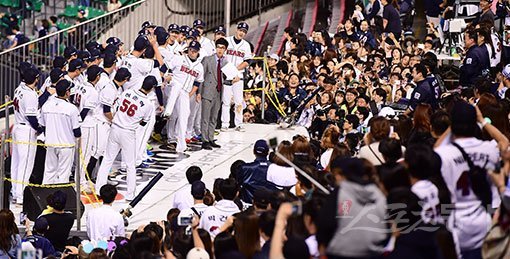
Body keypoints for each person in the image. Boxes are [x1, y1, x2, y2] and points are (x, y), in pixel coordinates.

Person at [435, 101, 509, 258]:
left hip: (455, 223)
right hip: (483, 220)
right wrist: (482, 120)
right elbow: (504, 142)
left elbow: (436, 148)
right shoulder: (488, 149)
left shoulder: (445, 153)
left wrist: (452, 125)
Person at [95, 76, 156, 200]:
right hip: (128, 132)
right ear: (152, 88)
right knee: (130, 165)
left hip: (115, 127)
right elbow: (144, 123)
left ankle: (98, 189)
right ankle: (130, 194)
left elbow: (116, 107)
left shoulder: (127, 92)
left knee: (107, 160)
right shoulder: (148, 104)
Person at [163, 40, 205, 154]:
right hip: (173, 87)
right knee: (173, 114)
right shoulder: (179, 58)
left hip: (185, 92)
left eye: (194, 51)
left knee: (184, 117)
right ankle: (168, 113)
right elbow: (167, 68)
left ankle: (181, 145)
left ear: (198, 52)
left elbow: (198, 82)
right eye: (191, 50)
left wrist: (191, 94)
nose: (192, 52)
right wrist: (167, 76)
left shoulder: (199, 66)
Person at [40, 80, 82, 184]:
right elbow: (77, 131)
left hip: (50, 144)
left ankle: (46, 198)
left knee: (49, 172)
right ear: (67, 92)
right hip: (66, 146)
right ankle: (60, 198)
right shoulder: (71, 108)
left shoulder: (46, 105)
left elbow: (43, 126)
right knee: (63, 174)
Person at [11, 66, 42, 204]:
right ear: (35, 79)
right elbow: (32, 118)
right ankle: (21, 195)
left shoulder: (19, 88)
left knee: (17, 163)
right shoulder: (29, 94)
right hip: (26, 130)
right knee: (25, 164)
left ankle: (15, 190)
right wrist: (40, 129)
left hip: (18, 127)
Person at [200, 38, 238, 150]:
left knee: (214, 117)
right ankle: (204, 139)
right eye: (218, 47)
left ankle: (211, 138)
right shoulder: (207, 59)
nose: (220, 50)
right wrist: (199, 92)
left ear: (225, 49)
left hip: (218, 92)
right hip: (207, 91)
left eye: (222, 48)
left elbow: (225, 79)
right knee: (205, 117)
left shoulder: (225, 63)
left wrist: (232, 81)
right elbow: (201, 77)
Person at [221, 22, 254, 131]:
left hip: (238, 75)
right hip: (226, 73)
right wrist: (228, 71)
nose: (242, 33)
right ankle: (225, 124)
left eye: (244, 32)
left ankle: (238, 123)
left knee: (238, 101)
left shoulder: (246, 45)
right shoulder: (227, 41)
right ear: (237, 29)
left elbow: (248, 60)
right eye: (241, 30)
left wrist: (235, 70)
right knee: (226, 101)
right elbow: (221, 56)